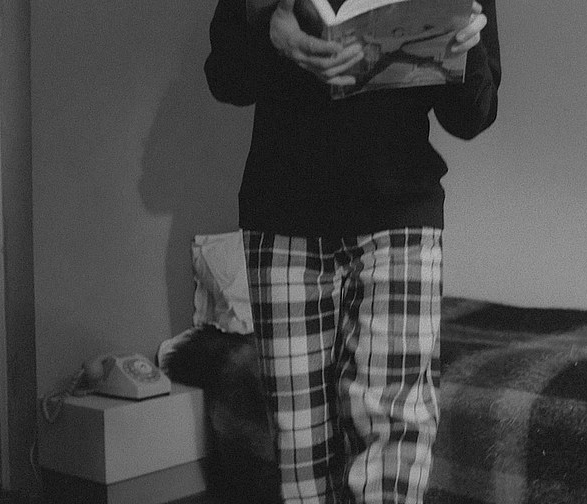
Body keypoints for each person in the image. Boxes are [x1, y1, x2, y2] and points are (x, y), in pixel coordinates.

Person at [204, 0, 500, 500]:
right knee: (299, 452)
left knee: (398, 438)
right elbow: (225, 77)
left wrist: (462, 50)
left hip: (400, 212)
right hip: (283, 214)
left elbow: (473, 115)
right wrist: (272, 35)